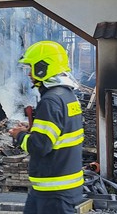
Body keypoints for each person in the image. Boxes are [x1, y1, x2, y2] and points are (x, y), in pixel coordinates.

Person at [8, 41, 85, 214]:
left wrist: (19, 135)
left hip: (54, 190)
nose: (29, 74)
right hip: (56, 187)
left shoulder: (50, 101)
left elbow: (40, 146)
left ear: (43, 68)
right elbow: (59, 131)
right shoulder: (67, 96)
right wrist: (32, 128)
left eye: (32, 67)